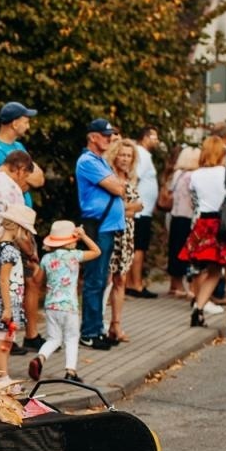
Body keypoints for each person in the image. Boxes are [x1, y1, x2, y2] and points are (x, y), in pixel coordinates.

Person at [180, 134, 226, 339]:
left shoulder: (196, 175)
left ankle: (198, 310)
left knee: (213, 270)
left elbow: (195, 199)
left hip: (205, 224)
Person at [28, 220, 102, 384]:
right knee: (71, 338)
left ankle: (40, 358)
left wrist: (35, 267)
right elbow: (97, 251)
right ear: (71, 241)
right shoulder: (74, 256)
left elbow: (37, 280)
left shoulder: (46, 258)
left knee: (53, 339)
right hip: (69, 306)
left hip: (50, 305)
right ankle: (70, 371)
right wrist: (84, 236)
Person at [74, 118, 126, 350]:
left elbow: (120, 186)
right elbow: (118, 187)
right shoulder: (87, 161)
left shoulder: (101, 161)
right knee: (94, 280)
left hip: (107, 226)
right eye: (106, 135)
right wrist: (117, 183)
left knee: (101, 278)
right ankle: (89, 332)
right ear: (92, 137)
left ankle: (96, 328)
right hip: (98, 226)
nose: (109, 139)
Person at [0, 204, 37, 373]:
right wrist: (7, 308)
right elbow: (4, 280)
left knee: (7, 338)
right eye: (26, 231)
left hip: (2, 300)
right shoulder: (10, 251)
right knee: (3, 340)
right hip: (7, 302)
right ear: (19, 228)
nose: (27, 235)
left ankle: (2, 374)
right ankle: (2, 377)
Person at [101, 138, 144, 343]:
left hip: (127, 233)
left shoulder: (130, 178)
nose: (125, 159)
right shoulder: (109, 177)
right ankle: (98, 323)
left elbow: (137, 206)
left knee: (121, 279)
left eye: (129, 155)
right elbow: (120, 208)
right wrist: (134, 207)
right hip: (112, 230)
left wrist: (133, 207)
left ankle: (116, 324)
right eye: (122, 154)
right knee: (107, 278)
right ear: (114, 155)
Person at [0, 101, 44, 207]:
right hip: (8, 214)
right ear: (15, 124)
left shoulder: (19, 146)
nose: (28, 127)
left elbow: (39, 178)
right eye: (25, 122)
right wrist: (28, 178)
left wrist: (27, 177)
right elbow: (17, 183)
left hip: (22, 213)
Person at [124, 126, 161, 299]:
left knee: (138, 246)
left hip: (143, 209)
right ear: (145, 137)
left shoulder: (143, 154)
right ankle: (135, 284)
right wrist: (132, 200)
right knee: (139, 247)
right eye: (154, 137)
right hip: (139, 211)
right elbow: (135, 177)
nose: (157, 140)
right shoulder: (142, 154)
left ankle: (132, 283)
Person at [164, 145, 200, 298]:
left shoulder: (178, 174)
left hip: (175, 215)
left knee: (174, 249)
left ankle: (174, 284)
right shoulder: (193, 176)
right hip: (188, 217)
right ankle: (186, 288)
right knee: (186, 252)